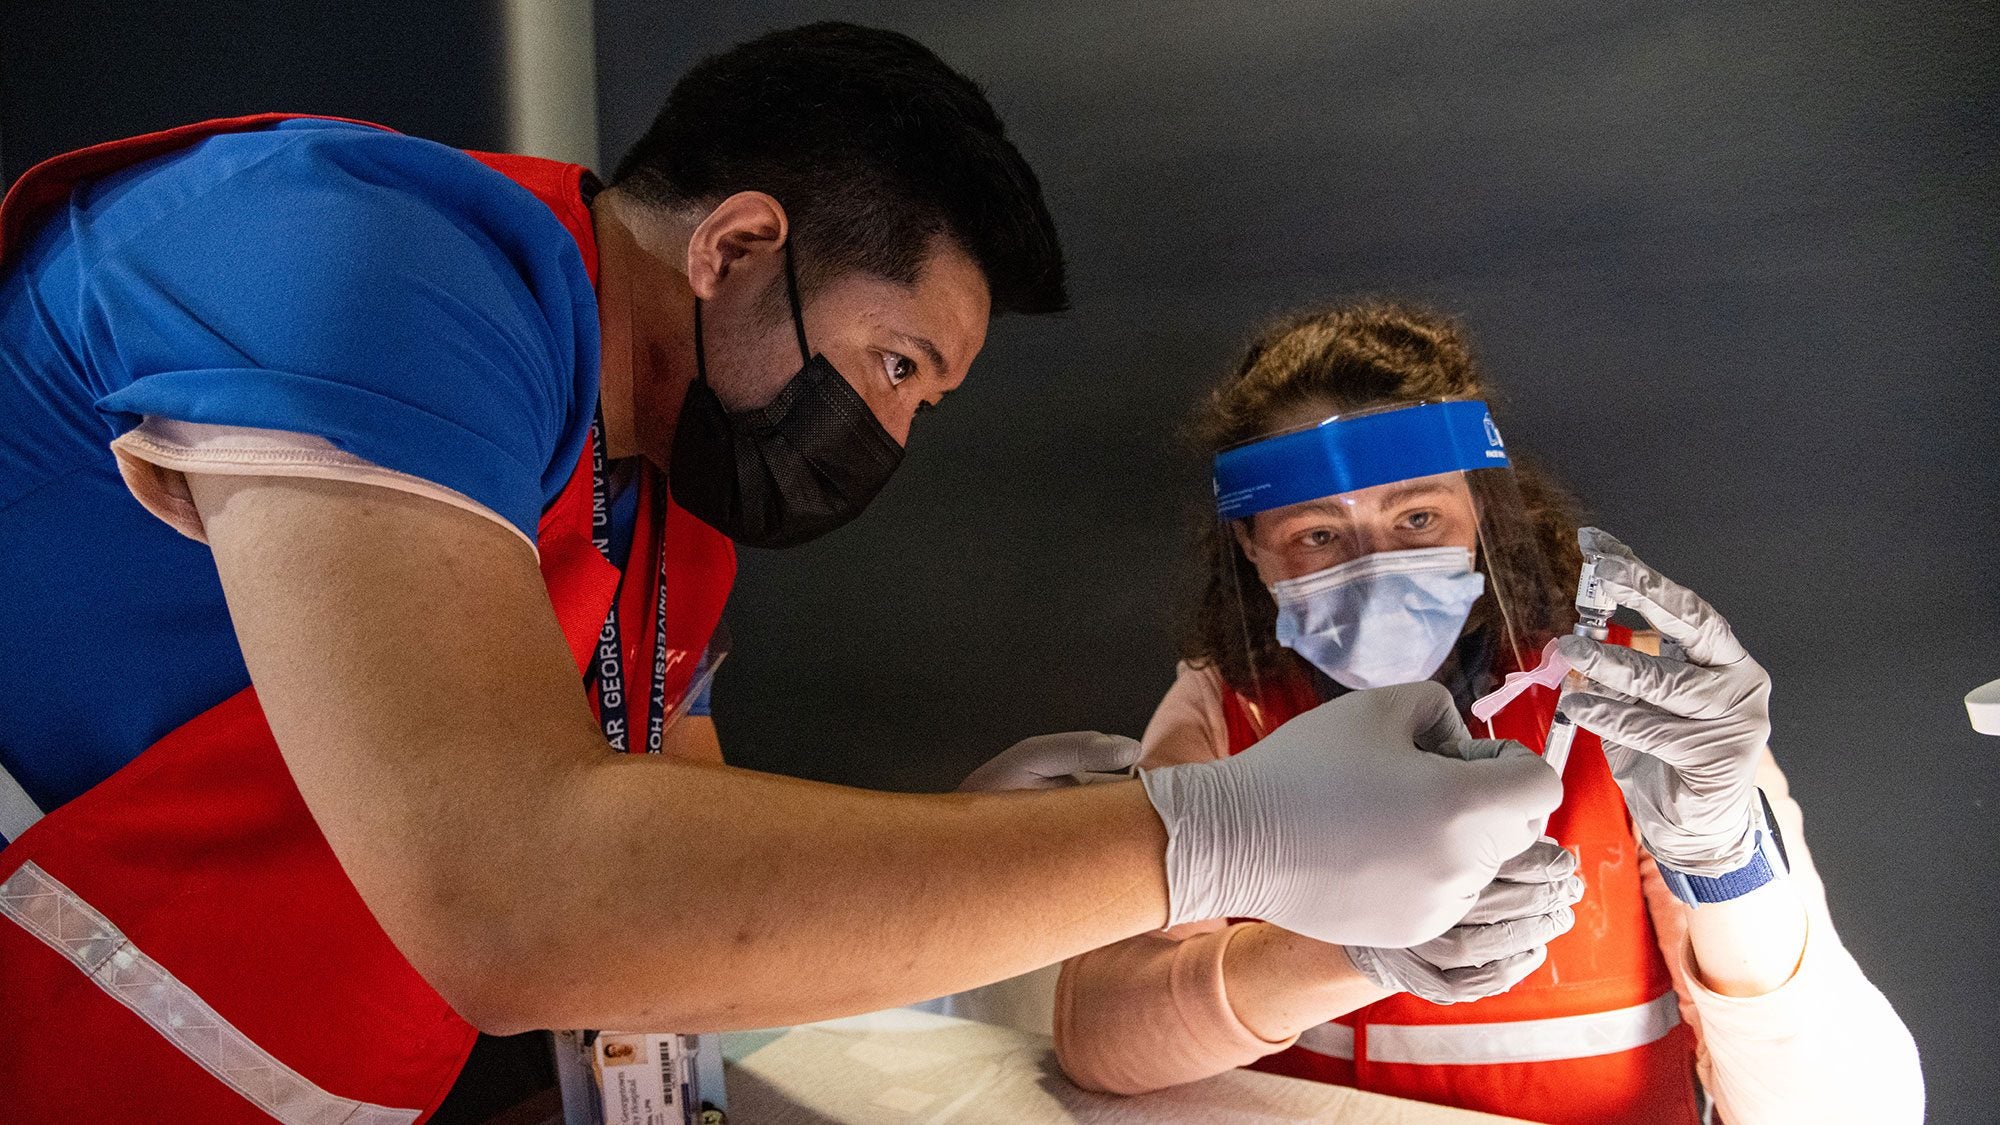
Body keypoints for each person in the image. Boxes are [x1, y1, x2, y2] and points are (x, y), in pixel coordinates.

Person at [0, 26, 1564, 1122]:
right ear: (739, 246)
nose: (886, 432)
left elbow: (674, 907)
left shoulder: (666, 524)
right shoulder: (355, 263)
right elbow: (525, 898)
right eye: (893, 362)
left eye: (921, 404)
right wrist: (1221, 838)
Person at [1045, 304, 1922, 1122]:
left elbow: (1842, 1108)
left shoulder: (1626, 692)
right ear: (1251, 546)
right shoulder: (1223, 705)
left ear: (1478, 507)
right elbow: (1098, 1041)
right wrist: (1353, 954)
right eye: (1318, 534)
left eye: (1417, 516)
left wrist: (1726, 863)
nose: (1375, 568)